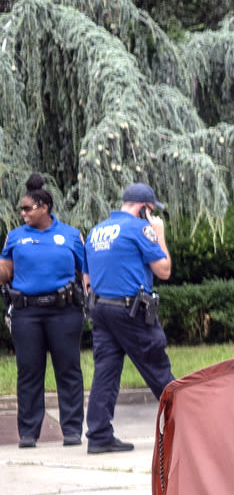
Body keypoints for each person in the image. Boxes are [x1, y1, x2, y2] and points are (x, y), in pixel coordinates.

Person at [82, 181, 177, 454]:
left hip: (100, 308)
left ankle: (99, 436)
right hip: (130, 310)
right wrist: (159, 234)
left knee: (106, 372)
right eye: (151, 210)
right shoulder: (140, 228)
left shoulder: (96, 231)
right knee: (157, 365)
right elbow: (164, 270)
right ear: (144, 208)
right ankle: (184, 423)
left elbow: (86, 276)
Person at [5, 181, 91, 448]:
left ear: (44, 208)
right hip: (27, 313)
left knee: (68, 370)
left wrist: (92, 300)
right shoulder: (15, 236)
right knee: (29, 371)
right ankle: (29, 433)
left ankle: (73, 430)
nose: (23, 214)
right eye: (21, 209)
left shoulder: (70, 235)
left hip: (64, 312)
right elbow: (5, 272)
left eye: (27, 208)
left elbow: (84, 273)